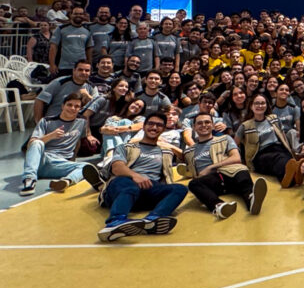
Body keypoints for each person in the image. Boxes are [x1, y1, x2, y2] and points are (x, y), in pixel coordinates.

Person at [96, 112, 188, 242]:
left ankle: (152, 220)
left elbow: (189, 159)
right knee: (130, 186)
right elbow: (117, 167)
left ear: (163, 129)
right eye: (151, 124)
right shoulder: (126, 147)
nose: (154, 128)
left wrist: (171, 147)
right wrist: (135, 176)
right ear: (143, 127)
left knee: (180, 189)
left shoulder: (166, 152)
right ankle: (115, 221)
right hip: (123, 185)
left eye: (159, 125)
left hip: (148, 189)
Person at [182, 113, 268, 218]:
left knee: (241, 171)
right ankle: (219, 206)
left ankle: (251, 200)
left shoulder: (225, 139)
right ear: (194, 127)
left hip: (230, 174)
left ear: (213, 125)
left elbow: (236, 158)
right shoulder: (189, 151)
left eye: (207, 122)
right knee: (193, 184)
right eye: (199, 123)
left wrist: (211, 167)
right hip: (212, 183)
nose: (204, 125)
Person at [20, 92, 101, 196]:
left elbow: (77, 142)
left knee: (86, 167)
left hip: (59, 164)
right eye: (69, 105)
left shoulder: (82, 122)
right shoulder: (46, 121)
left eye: (77, 106)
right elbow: (31, 145)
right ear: (63, 106)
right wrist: (51, 136)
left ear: (80, 109)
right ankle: (29, 180)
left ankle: (66, 181)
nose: (72, 108)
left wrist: (73, 160)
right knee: (37, 143)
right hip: (42, 160)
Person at [237, 93, 303, 186]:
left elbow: (283, 136)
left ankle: (291, 178)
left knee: (285, 157)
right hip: (260, 155)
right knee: (279, 159)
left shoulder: (274, 118)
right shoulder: (245, 126)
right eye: (257, 103)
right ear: (251, 106)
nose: (260, 106)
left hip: (279, 149)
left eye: (263, 103)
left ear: (267, 105)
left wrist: (290, 151)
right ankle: (293, 175)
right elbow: (235, 145)